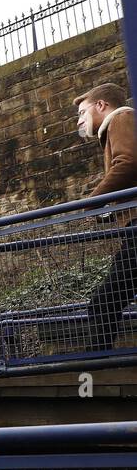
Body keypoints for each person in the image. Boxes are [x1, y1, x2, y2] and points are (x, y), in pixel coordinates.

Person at [75, 82, 137, 350]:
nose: (79, 120)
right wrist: (108, 213)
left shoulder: (121, 117)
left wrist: (94, 200)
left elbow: (129, 163)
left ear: (101, 105)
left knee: (104, 302)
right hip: (132, 228)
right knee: (107, 300)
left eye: (82, 112)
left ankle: (96, 366)